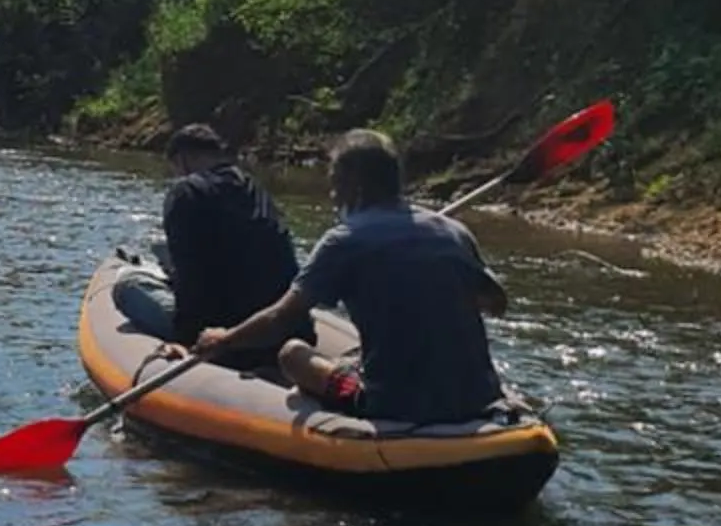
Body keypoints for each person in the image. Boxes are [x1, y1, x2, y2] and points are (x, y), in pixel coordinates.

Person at [193, 128, 506, 427]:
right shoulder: (453, 232)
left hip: (394, 403)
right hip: (478, 397)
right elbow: (496, 304)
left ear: (353, 184)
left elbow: (282, 318)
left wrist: (225, 339)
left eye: (334, 182)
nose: (331, 193)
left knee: (292, 355)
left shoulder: (344, 240)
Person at [112, 122, 301, 351]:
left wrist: (185, 336)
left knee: (126, 283)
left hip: (219, 330)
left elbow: (192, 282)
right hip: (278, 325)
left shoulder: (185, 192)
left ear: (182, 160)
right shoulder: (254, 188)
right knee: (159, 246)